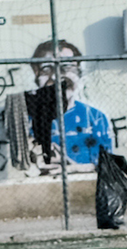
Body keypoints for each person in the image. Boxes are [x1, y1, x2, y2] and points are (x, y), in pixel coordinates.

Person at [28, 39, 113, 169]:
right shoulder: (25, 119)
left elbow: (104, 167)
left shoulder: (94, 118)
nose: (55, 77)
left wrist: (68, 166)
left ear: (78, 72)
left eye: (65, 67)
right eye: (46, 69)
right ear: (36, 74)